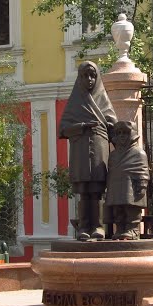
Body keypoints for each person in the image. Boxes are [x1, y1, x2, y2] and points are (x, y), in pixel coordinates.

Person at [59, 61, 117, 240]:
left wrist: (108, 125)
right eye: (85, 75)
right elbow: (63, 129)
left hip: (99, 150)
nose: (89, 79)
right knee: (84, 191)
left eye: (92, 75)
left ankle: (98, 227)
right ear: (79, 78)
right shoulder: (75, 101)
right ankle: (84, 227)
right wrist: (82, 126)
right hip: (80, 152)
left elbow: (113, 125)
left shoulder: (103, 100)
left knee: (97, 191)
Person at [104, 120, 150, 240]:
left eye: (125, 132)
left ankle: (133, 229)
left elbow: (143, 171)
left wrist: (142, 185)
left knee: (131, 210)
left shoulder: (138, 153)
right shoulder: (113, 155)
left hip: (132, 188)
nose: (122, 136)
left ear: (132, 134)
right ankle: (120, 228)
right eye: (119, 133)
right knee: (118, 211)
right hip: (116, 188)